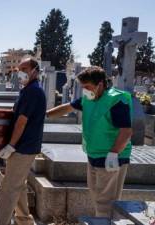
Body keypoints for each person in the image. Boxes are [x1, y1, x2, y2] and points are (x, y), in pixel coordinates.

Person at [47, 66, 133, 218]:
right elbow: (67, 108)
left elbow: (126, 131)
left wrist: (113, 154)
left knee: (106, 202)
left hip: (111, 157)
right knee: (96, 196)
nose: (85, 90)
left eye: (87, 87)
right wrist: (45, 115)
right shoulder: (89, 99)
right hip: (93, 155)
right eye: (83, 87)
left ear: (100, 84)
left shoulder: (116, 100)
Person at [0, 58, 46, 225]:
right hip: (24, 146)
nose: (21, 71)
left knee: (8, 188)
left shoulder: (33, 91)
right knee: (19, 185)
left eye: (24, 68)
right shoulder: (28, 90)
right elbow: (16, 114)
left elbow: (22, 121)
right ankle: (24, 220)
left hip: (22, 147)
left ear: (35, 70)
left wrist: (11, 145)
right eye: (19, 69)